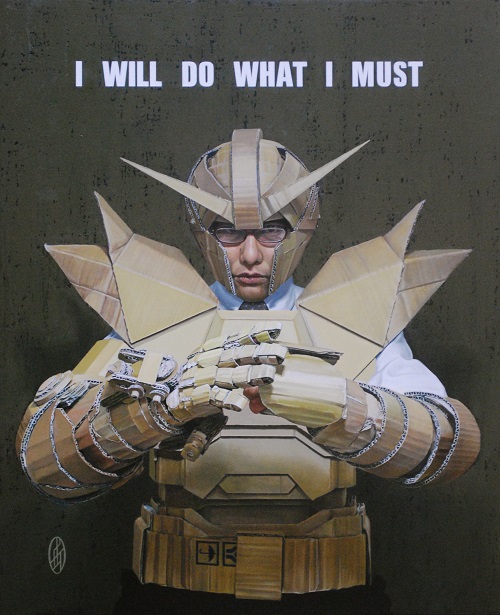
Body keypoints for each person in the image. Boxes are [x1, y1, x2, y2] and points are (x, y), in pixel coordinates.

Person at [16, 129, 480, 601]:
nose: (251, 255)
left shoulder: (354, 317)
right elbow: (43, 460)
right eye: (229, 233)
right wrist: (156, 412)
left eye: (271, 231)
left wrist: (347, 408)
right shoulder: (152, 316)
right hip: (179, 588)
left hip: (326, 588)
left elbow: (452, 441)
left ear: (301, 229)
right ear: (203, 232)